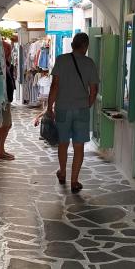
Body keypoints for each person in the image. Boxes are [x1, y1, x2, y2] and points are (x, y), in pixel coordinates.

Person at [46, 32, 99, 193]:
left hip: (62, 108)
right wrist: (87, 105)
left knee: (63, 143)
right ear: (86, 46)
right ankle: (74, 181)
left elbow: (54, 85)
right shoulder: (89, 63)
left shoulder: (61, 60)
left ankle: (62, 172)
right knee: (79, 146)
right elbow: (94, 90)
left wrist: (49, 107)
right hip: (81, 109)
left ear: (72, 45)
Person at [0, 40, 15, 160]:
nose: (9, 52)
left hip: (6, 99)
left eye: (9, 49)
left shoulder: (6, 63)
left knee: (4, 125)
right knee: (5, 124)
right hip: (2, 99)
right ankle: (0, 151)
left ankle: (1, 150)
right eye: (6, 49)